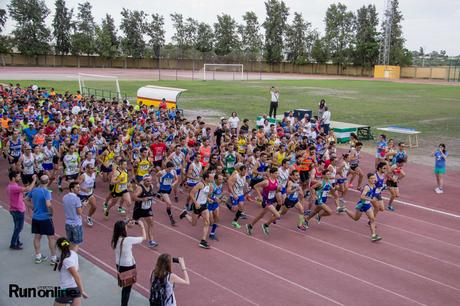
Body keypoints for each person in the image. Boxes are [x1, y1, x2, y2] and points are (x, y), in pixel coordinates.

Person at [112, 219, 146, 306]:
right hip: (128, 266)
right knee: (127, 289)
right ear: (123, 229)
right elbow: (143, 237)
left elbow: (121, 230)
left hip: (119, 264)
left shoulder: (114, 240)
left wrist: (127, 224)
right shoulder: (128, 240)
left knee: (125, 286)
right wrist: (142, 226)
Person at [26, 175, 58, 264]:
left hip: (36, 218)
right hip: (45, 218)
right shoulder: (47, 192)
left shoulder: (34, 190)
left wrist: (33, 207)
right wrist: (52, 211)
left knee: (37, 237)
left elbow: (26, 200)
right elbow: (48, 204)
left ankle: (38, 256)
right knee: (51, 238)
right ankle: (54, 258)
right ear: (47, 182)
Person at [343, 173, 383, 242]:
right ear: (368, 179)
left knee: (372, 219)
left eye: (374, 178)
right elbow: (362, 197)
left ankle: (373, 235)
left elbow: (373, 194)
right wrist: (371, 199)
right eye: (372, 178)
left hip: (367, 205)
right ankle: (345, 209)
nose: (373, 179)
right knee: (355, 218)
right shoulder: (367, 187)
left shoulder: (373, 186)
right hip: (361, 205)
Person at [53, 237, 88, 306]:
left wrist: (82, 291)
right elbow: (76, 245)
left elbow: (76, 277)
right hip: (75, 289)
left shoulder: (67, 260)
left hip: (65, 290)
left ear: (59, 248)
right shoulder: (73, 253)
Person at [7, 171, 37, 250]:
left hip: (14, 209)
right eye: (18, 177)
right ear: (13, 178)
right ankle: (13, 244)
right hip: (18, 210)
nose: (20, 178)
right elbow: (29, 189)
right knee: (19, 228)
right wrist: (34, 180)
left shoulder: (10, 186)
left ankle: (17, 241)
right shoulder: (15, 187)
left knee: (16, 226)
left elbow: (19, 195)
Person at [62, 182, 84, 247]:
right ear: (72, 189)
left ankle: (68, 255)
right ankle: (72, 256)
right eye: (77, 187)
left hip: (68, 223)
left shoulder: (64, 197)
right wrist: (83, 205)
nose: (79, 189)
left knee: (70, 242)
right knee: (76, 244)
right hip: (76, 224)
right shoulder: (77, 199)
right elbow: (79, 212)